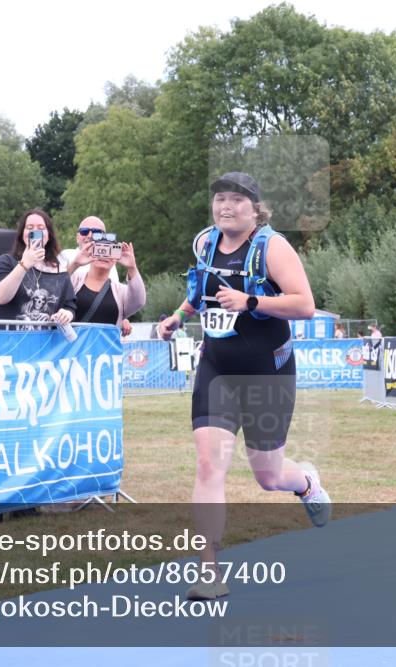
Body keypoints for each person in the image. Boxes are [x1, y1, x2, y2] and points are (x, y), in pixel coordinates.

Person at [157, 171, 330, 601]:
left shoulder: (272, 247)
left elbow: (305, 305)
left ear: (255, 208)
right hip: (217, 368)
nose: (225, 207)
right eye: (219, 199)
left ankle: (305, 482)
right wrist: (178, 317)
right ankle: (209, 570)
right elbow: (200, 291)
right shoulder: (205, 243)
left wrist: (251, 301)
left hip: (266, 373)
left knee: (268, 476)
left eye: (236, 200)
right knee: (208, 464)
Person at [0, 208, 75, 328]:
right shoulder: (6, 261)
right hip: (8, 342)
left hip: (42, 343)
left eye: (41, 228)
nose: (35, 231)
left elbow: (69, 306)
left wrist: (66, 314)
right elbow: (1, 297)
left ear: (49, 235)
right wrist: (24, 264)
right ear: (22, 234)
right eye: (29, 228)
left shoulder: (59, 269)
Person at [68, 230, 145, 329]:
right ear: (91, 251)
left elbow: (139, 301)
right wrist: (75, 264)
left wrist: (132, 268)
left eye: (110, 251)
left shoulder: (120, 291)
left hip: (107, 344)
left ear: (116, 256)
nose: (104, 255)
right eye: (99, 249)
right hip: (76, 344)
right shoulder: (75, 279)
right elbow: (55, 290)